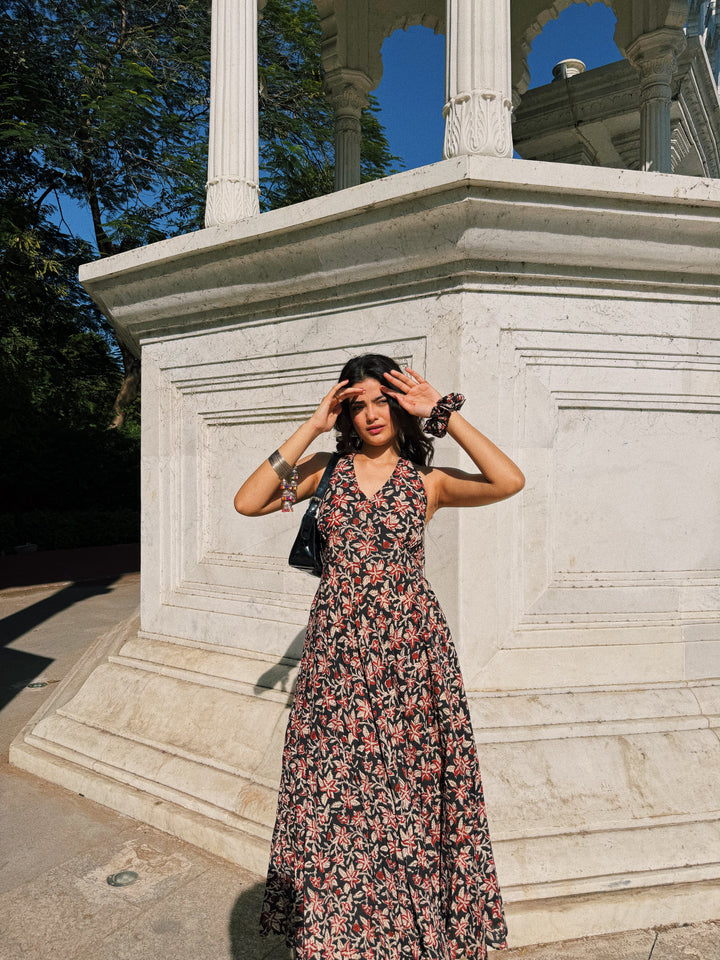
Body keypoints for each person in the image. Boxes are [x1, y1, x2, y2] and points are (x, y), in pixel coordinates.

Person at [234, 353, 524, 960]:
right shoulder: (324, 470)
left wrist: (442, 412)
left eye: (381, 400)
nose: (370, 414)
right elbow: (249, 500)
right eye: (357, 403)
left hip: (411, 654)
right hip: (336, 655)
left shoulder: (428, 481)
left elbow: (508, 480)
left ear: (397, 405)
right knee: (337, 792)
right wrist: (312, 424)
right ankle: (339, 932)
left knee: (410, 792)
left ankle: (415, 932)